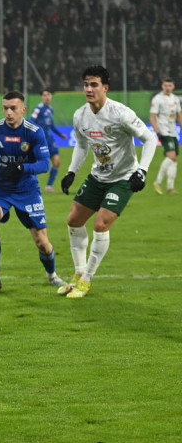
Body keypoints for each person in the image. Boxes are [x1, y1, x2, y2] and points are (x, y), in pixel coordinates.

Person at [57, 65, 157, 298]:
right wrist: (72, 172)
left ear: (105, 88)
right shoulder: (80, 115)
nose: (89, 89)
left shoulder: (120, 113)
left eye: (94, 85)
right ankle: (79, 273)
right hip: (97, 176)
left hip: (123, 178)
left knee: (101, 224)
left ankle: (87, 280)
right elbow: (82, 145)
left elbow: (149, 139)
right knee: (73, 220)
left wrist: (142, 171)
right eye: (86, 85)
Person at [0, 91, 65, 291]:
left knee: (41, 241)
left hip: (27, 190)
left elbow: (44, 164)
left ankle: (52, 275)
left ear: (23, 110)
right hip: (0, 188)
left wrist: (22, 168)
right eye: (5, 108)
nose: (8, 112)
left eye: (13, 108)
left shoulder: (34, 132)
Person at [30, 88, 69, 192]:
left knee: (56, 162)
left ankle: (48, 186)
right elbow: (31, 122)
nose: (47, 97)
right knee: (39, 164)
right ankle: (26, 184)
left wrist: (61, 135)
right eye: (44, 95)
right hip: (40, 140)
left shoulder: (50, 109)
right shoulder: (38, 109)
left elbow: (51, 125)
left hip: (50, 140)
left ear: (51, 96)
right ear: (41, 97)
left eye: (48, 95)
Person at [149, 77, 181, 195]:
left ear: (173, 87)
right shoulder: (158, 99)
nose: (167, 88)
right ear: (162, 86)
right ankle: (157, 181)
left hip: (173, 131)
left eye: (169, 85)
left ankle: (170, 188)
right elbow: (152, 117)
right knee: (171, 156)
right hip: (163, 131)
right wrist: (157, 132)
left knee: (174, 160)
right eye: (165, 85)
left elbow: (178, 114)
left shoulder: (175, 99)